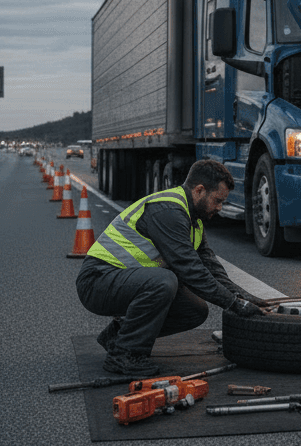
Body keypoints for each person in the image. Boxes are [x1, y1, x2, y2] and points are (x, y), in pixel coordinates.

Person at [75, 158, 263, 376]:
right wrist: (233, 304)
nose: (220, 208)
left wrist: (243, 297)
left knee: (194, 310)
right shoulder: (168, 211)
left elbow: (209, 265)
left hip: (123, 281)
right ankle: (124, 356)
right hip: (97, 281)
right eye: (218, 200)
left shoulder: (194, 219)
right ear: (200, 190)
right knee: (165, 281)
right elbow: (190, 270)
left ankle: (119, 338)